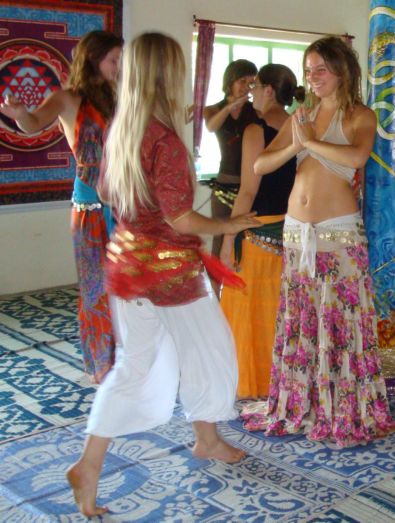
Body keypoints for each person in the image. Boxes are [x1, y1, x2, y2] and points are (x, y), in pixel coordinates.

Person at [64, 32, 260, 517]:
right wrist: (227, 224)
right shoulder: (165, 139)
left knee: (134, 364)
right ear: (167, 74)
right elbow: (180, 219)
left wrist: (146, 212)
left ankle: (90, 463)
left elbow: (109, 195)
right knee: (212, 350)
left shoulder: (123, 127)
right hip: (169, 269)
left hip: (127, 264)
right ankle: (207, 438)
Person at [241, 36, 395, 446]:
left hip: (338, 232)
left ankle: (341, 407)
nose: (313, 78)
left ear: (342, 71)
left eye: (320, 70)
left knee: (340, 320)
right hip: (297, 229)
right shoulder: (302, 113)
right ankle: (300, 402)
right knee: (302, 321)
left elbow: (357, 158)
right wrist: (296, 140)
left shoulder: (361, 114)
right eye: (308, 71)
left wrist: (308, 141)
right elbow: (261, 163)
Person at [0, 31, 123, 384]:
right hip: (89, 207)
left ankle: (129, 356)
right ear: (93, 59)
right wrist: (20, 114)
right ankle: (102, 366)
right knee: (96, 287)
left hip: (123, 203)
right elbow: (33, 123)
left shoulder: (118, 99)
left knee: (127, 284)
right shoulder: (68, 99)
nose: (119, 67)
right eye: (114, 59)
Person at [219, 64, 303, 399]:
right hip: (292, 232)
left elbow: (248, 192)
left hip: (256, 233)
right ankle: (281, 382)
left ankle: (250, 383)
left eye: (256, 86)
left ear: (269, 90)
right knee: (280, 313)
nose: (251, 91)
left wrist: (228, 238)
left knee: (247, 314)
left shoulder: (257, 130)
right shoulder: (301, 127)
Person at [203, 59, 261, 257]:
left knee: (247, 236)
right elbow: (211, 126)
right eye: (242, 81)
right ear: (230, 81)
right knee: (220, 235)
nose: (246, 87)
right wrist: (230, 107)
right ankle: (216, 282)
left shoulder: (255, 111)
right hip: (224, 184)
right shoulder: (213, 109)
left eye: (251, 83)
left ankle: (239, 283)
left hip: (250, 184)